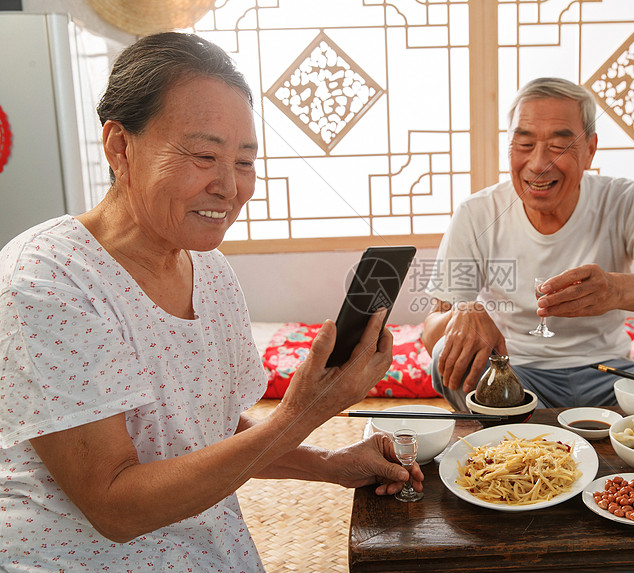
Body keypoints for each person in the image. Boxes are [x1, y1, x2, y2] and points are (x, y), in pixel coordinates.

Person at [0, 32, 422, 571]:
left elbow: (206, 429)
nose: (229, 186)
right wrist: (303, 413)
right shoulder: (47, 280)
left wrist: (331, 464)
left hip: (213, 551)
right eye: (204, 155)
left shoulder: (209, 268)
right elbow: (114, 507)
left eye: (245, 162)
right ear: (120, 147)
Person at [422, 77, 634, 411]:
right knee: (446, 358)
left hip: (614, 378)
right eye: (524, 144)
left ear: (590, 150)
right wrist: (463, 312)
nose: (539, 164)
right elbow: (431, 332)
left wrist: (615, 290)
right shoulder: (477, 213)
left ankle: (537, 431)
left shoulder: (625, 200)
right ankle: (631, 430)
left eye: (558, 145)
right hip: (516, 379)